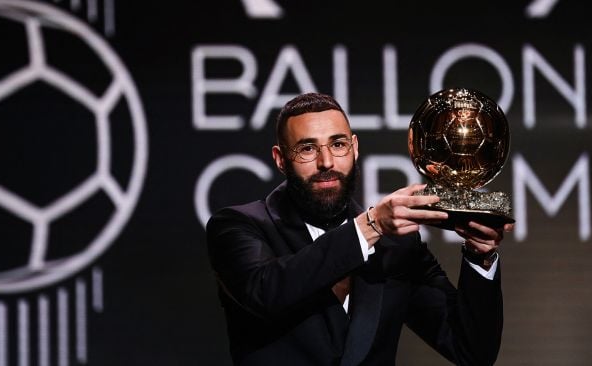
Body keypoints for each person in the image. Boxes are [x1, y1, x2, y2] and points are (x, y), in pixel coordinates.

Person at [206, 92, 512, 366]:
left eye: (338, 145)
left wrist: (479, 257)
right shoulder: (239, 226)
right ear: (281, 159)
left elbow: (471, 351)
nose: (326, 162)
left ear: (354, 148)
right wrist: (372, 225)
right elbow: (267, 293)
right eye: (307, 149)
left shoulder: (398, 247)